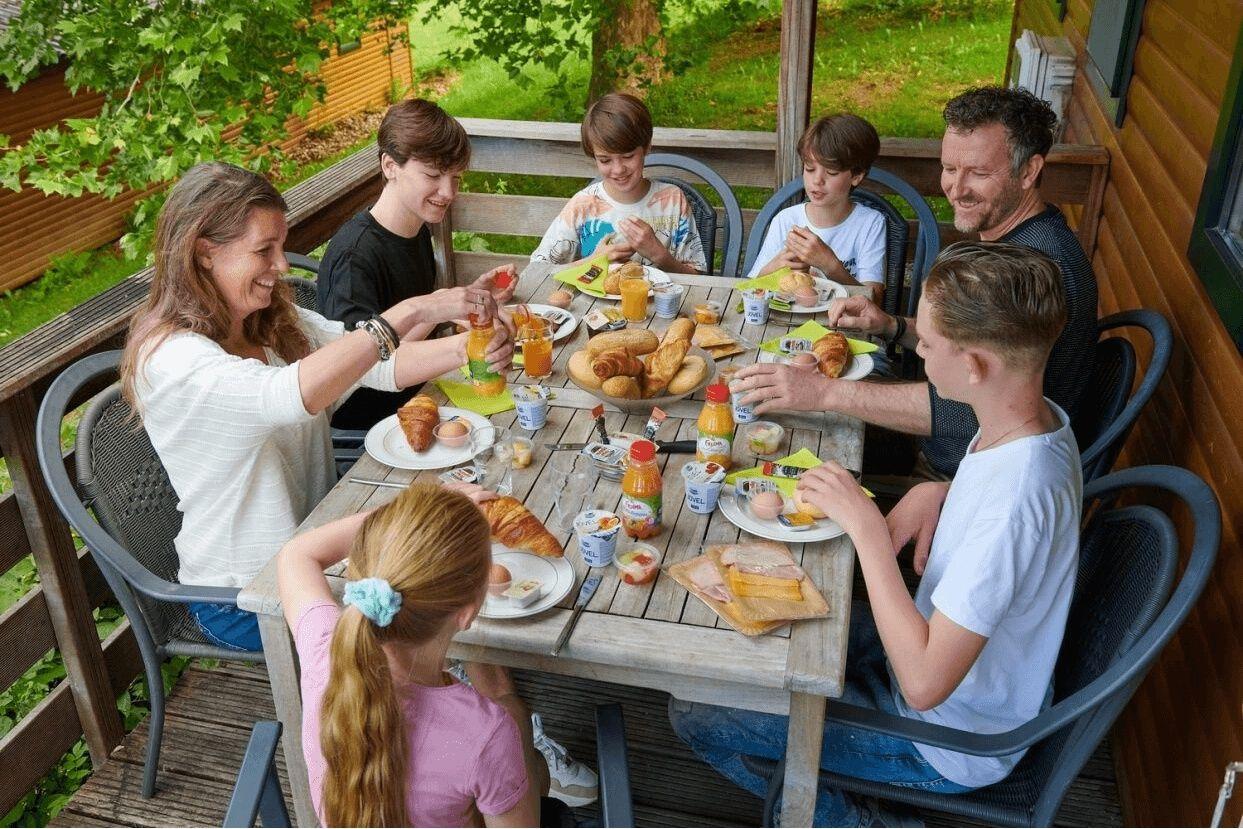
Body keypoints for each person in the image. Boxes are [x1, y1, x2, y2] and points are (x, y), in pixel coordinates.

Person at [670, 241, 1082, 826]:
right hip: (952, 668)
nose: (920, 352)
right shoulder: (1030, 422)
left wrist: (866, 529)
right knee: (740, 632)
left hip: (946, 738)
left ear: (974, 366)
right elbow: (1009, 507)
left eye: (928, 345)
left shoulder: (1016, 501)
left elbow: (923, 685)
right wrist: (939, 490)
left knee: (695, 711)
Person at [120, 161, 511, 652]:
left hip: (321, 553)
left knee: (466, 565)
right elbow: (289, 395)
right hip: (247, 595)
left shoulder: (264, 320)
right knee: (440, 601)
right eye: (264, 250)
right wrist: (414, 310)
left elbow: (376, 364)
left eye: (281, 248)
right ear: (204, 253)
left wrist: (469, 348)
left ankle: (478, 694)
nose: (282, 266)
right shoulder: (173, 359)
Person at [733, 86, 1098, 481]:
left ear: (1029, 172)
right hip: (948, 445)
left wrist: (824, 393)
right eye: (950, 169)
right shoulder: (1020, 242)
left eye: (978, 173)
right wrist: (889, 325)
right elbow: (968, 355)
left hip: (960, 472)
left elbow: (966, 410)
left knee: (773, 443)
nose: (956, 189)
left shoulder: (1035, 268)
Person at [276, 482, 561, 827]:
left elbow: (297, 553)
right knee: (528, 748)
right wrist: (506, 705)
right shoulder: (487, 732)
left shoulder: (324, 651)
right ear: (467, 613)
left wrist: (406, 521)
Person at [316, 98, 519, 430]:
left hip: (422, 392)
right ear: (390, 166)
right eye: (433, 175)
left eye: (456, 177)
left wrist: (459, 301)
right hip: (374, 423)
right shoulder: (353, 257)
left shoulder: (416, 230)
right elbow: (359, 371)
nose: (448, 192)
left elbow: (402, 336)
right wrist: (441, 312)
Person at [530, 92, 707, 274]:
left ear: (647, 147)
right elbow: (538, 269)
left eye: (628, 156)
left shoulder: (673, 200)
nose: (618, 169)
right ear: (594, 156)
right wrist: (593, 261)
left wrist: (659, 255)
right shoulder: (583, 206)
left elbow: (698, 276)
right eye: (605, 160)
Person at [745, 113, 887, 304]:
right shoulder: (787, 219)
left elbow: (875, 301)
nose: (817, 180)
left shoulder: (870, 223)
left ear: (856, 176)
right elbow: (751, 290)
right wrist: (775, 267)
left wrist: (830, 265)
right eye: (809, 168)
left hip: (843, 320)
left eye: (831, 172)